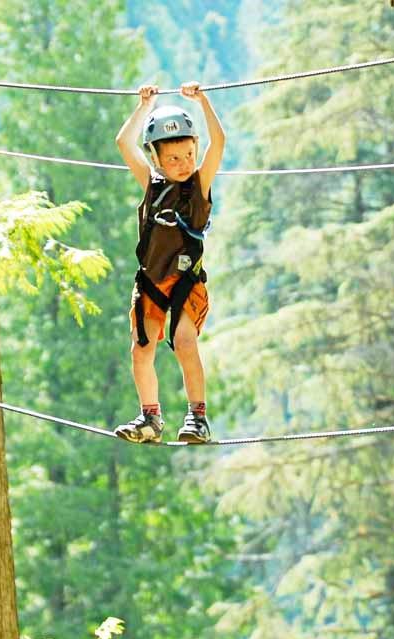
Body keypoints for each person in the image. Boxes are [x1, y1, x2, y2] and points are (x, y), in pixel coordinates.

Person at [113, 81, 225, 444]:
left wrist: (203, 102)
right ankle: (150, 417)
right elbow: (123, 143)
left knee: (184, 340)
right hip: (150, 283)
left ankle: (198, 417)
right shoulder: (151, 183)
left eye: (188, 155)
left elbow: (218, 144)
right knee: (141, 348)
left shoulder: (198, 187)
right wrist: (145, 106)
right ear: (156, 159)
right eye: (173, 158)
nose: (183, 164)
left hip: (184, 284)